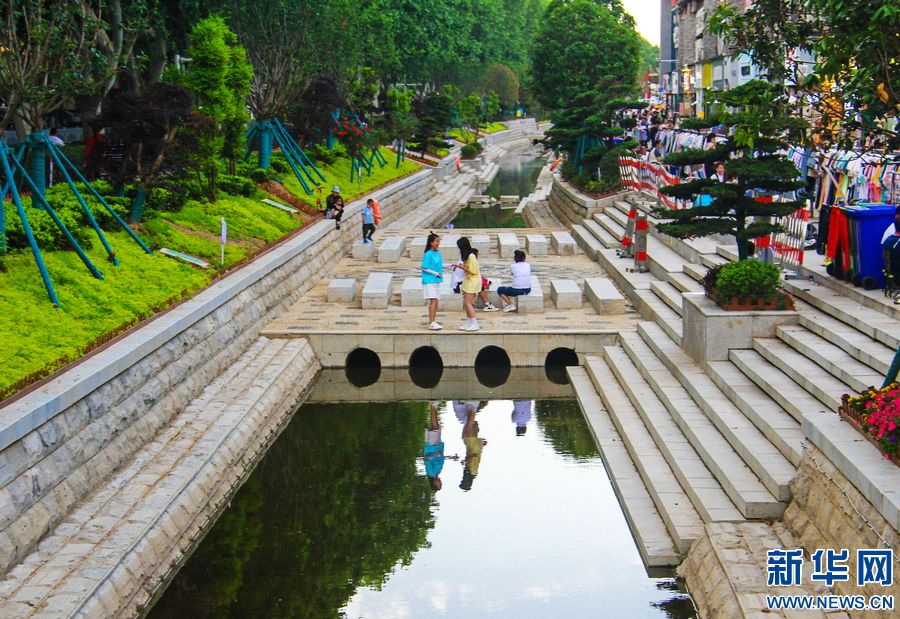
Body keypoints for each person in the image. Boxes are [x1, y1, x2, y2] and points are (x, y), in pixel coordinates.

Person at [454, 237, 481, 331]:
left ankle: (474, 323)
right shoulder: (467, 256)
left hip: (472, 282)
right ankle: (469, 323)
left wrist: (463, 268)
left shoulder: (471, 256)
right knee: (466, 303)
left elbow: (474, 271)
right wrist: (461, 266)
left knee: (467, 303)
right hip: (468, 281)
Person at [459, 406, 487, 491]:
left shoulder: (471, 473)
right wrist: (465, 461)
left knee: (472, 426)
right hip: (473, 447)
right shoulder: (472, 472)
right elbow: (474, 458)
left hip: (475, 447)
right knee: (469, 428)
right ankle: (473, 406)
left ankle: (474, 407)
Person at [421, 232, 444, 330]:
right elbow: (424, 268)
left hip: (436, 280)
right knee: (433, 301)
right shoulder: (428, 254)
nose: (438, 243)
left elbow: (439, 265)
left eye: (439, 241)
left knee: (436, 301)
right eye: (437, 241)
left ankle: (433, 321)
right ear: (431, 242)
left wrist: (451, 265)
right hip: (429, 281)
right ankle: (431, 322)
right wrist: (435, 273)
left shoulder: (437, 252)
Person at [423, 402, 447, 492]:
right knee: (435, 426)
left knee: (435, 427)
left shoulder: (431, 473)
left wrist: (435, 455)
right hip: (437, 446)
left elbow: (426, 459)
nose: (441, 482)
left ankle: (433, 404)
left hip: (432, 446)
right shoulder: (437, 472)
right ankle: (433, 406)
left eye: (439, 484)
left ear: (434, 484)